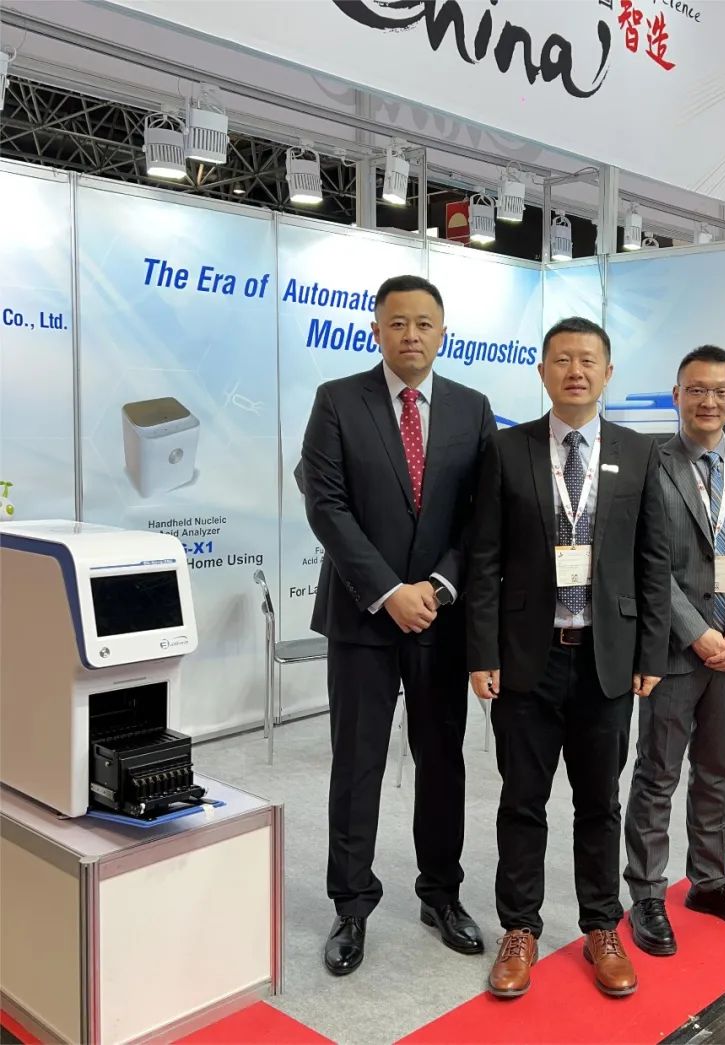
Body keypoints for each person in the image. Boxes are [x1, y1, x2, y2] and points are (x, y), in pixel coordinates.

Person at [467, 316, 670, 999]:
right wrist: (481, 651)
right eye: (561, 359)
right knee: (522, 799)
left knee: (599, 802)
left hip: (605, 660)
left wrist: (651, 650)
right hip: (527, 658)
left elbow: (653, 560)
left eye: (587, 360)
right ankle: (519, 928)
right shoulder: (507, 448)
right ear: (543, 371)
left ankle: (601, 925)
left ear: (608, 372)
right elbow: (485, 558)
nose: (575, 371)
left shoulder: (640, 453)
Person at [302, 274, 496, 975]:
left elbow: (480, 514)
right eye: (398, 322)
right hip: (363, 617)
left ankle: (440, 893)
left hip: (441, 621)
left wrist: (438, 586)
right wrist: (387, 590)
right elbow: (325, 503)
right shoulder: (337, 400)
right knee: (357, 762)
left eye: (423, 323)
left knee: (442, 761)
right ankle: (351, 905)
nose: (411, 334)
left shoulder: (472, 408)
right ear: (376, 330)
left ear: (442, 333)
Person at [623, 345, 725, 956]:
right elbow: (645, 561)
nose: (709, 401)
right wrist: (696, 630)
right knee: (657, 774)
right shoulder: (649, 464)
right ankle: (646, 893)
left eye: (721, 391)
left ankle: (710, 881)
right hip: (673, 650)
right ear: (677, 395)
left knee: (718, 771)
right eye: (697, 390)